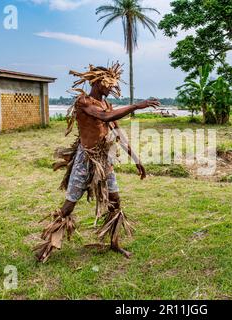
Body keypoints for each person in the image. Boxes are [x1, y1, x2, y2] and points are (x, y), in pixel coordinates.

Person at [34, 63, 160, 263]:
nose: (111, 88)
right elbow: (104, 117)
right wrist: (136, 106)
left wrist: (136, 159)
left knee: (115, 202)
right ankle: (48, 246)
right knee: (68, 207)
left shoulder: (107, 105)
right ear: (97, 81)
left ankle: (114, 243)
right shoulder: (84, 102)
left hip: (104, 161)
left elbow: (118, 133)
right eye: (108, 84)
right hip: (85, 159)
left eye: (113, 84)